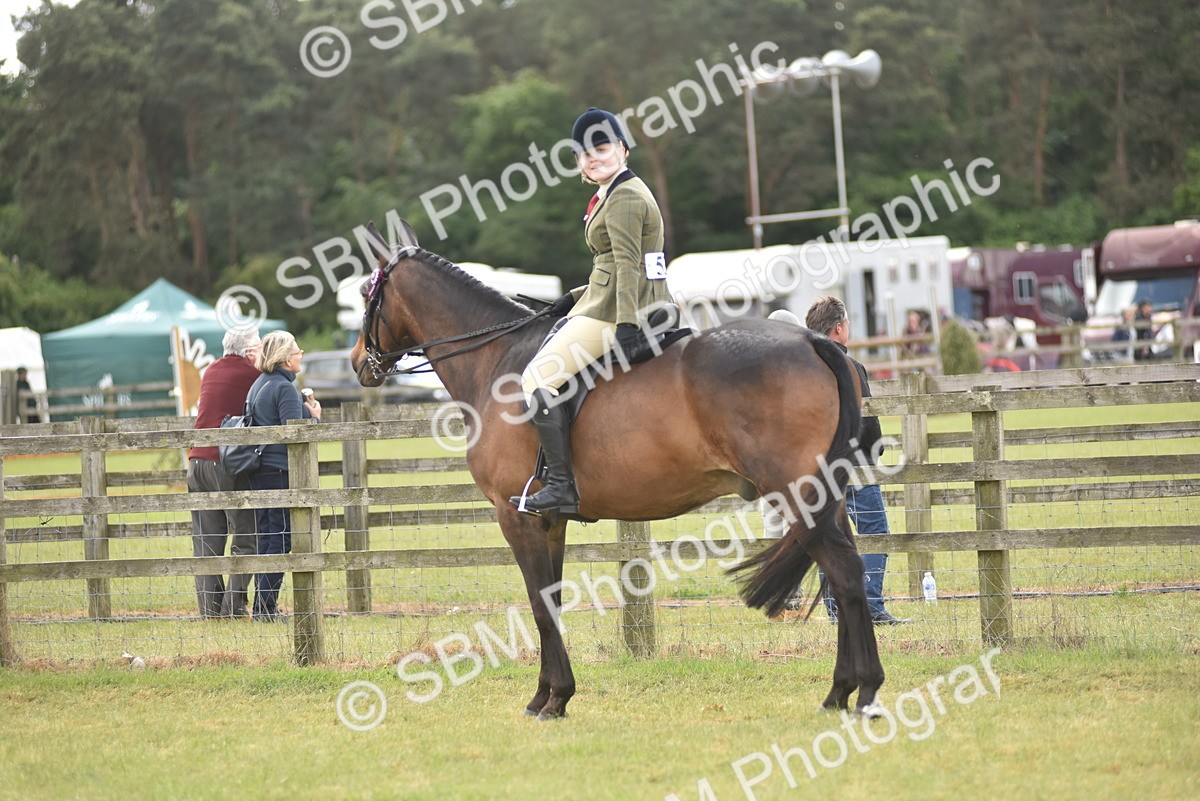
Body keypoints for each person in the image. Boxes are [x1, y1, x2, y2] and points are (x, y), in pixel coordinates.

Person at [508, 107, 668, 517]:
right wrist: (574, 297)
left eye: (602, 148)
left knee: (537, 378)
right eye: (584, 153)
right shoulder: (616, 191)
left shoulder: (625, 196)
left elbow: (629, 264)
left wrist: (627, 324)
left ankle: (560, 486)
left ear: (623, 149)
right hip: (613, 300)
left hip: (619, 311)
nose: (593, 158)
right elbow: (611, 264)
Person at [806, 296, 907, 625]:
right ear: (838, 328)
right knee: (875, 530)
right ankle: (871, 605)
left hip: (819, 469)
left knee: (830, 536)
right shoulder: (850, 367)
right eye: (847, 324)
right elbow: (868, 424)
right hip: (856, 466)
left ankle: (836, 609)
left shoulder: (800, 371)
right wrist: (875, 452)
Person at [187, 327, 262, 618]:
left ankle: (210, 610)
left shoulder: (211, 371)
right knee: (247, 536)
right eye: (259, 346)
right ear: (249, 351)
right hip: (226, 463)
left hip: (197, 462)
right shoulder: (252, 374)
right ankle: (234, 606)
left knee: (206, 540)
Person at [246, 331, 321, 621]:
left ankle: (261, 607)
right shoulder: (284, 388)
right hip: (278, 471)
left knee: (268, 538)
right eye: (297, 351)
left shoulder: (258, 384)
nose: (301, 354)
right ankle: (265, 608)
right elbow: (295, 432)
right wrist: (314, 417)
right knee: (280, 539)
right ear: (286, 359)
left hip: (261, 470)